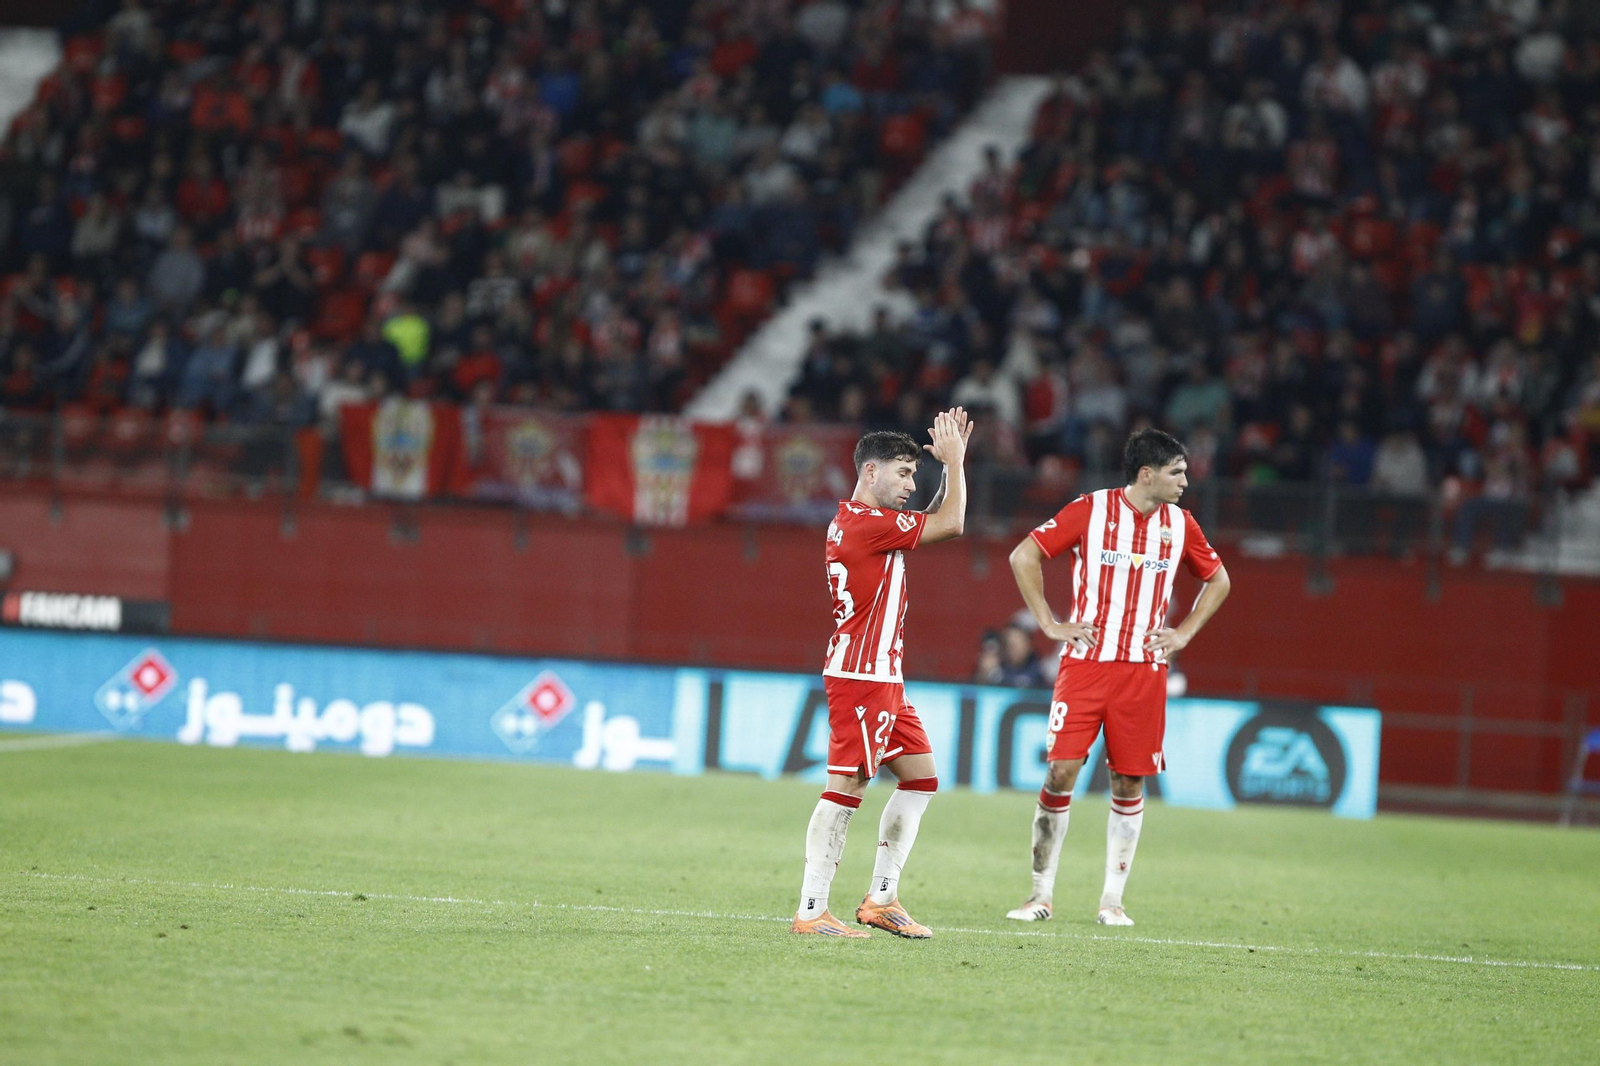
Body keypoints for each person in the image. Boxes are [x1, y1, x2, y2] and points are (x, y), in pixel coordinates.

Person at [1004, 428, 1231, 927]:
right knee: (1061, 772)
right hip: (1085, 666)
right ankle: (1039, 896)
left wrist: (1185, 634)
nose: (1185, 481)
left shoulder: (1182, 525)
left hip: (1144, 673)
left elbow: (1219, 579)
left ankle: (1112, 902)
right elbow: (1024, 555)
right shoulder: (1090, 510)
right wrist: (1049, 623)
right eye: (1177, 471)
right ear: (1147, 474)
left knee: (1128, 782)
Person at [792, 408, 974, 939]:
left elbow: (933, 522)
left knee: (921, 778)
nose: (911, 485)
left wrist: (943, 471)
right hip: (861, 677)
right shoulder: (866, 525)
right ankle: (810, 911)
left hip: (884, 678)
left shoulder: (870, 524)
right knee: (846, 786)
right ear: (870, 473)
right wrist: (957, 465)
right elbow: (953, 524)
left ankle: (881, 899)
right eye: (904, 474)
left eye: (916, 475)